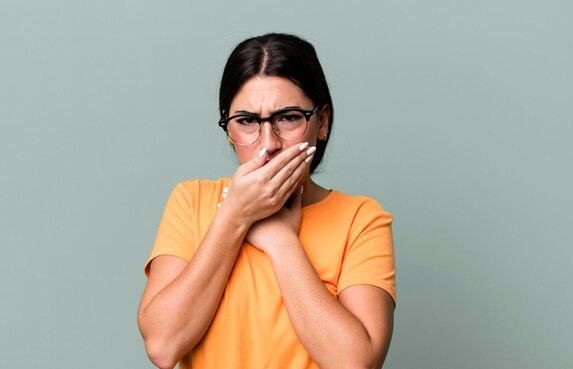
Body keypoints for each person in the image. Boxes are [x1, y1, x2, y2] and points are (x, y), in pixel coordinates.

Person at [137, 33, 396, 369]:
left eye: (288, 117)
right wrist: (234, 218)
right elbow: (162, 346)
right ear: (228, 129)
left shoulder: (360, 219)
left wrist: (281, 241)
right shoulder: (191, 201)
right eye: (246, 121)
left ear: (323, 122)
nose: (268, 144)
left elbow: (356, 363)